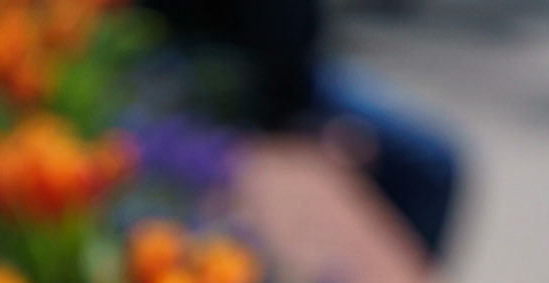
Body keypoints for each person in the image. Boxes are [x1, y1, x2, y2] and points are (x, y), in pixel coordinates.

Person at [145, 0, 462, 259]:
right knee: (428, 169)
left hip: (297, 75)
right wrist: (307, 125)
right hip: (242, 85)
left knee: (433, 160)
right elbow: (264, 54)